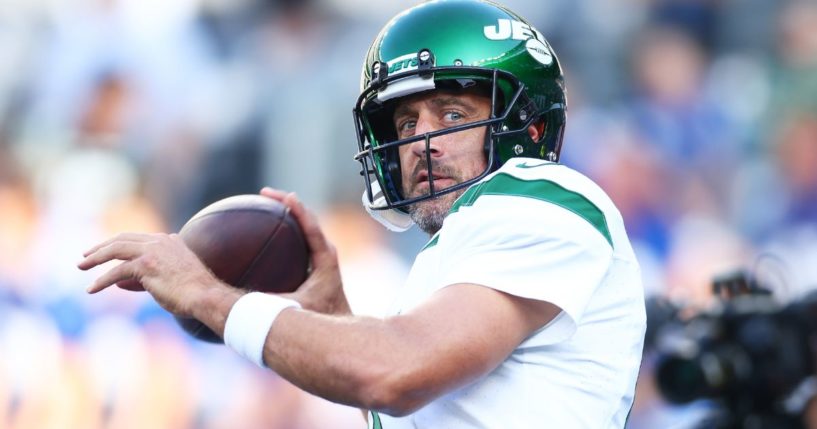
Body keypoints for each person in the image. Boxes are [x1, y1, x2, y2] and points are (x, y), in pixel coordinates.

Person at [78, 0, 646, 427]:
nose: (422, 141)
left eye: (451, 114)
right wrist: (334, 316)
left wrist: (209, 296)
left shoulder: (543, 199)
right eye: (404, 124)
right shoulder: (452, 253)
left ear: (531, 127)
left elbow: (395, 373)